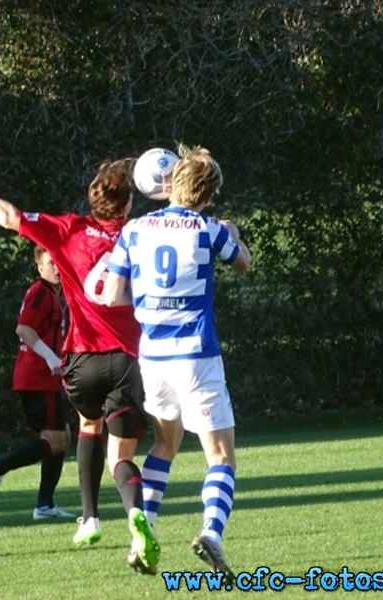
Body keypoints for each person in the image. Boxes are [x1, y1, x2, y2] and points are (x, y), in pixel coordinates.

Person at [0, 155, 160, 575]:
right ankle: (136, 514)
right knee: (122, 455)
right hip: (129, 359)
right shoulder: (142, 234)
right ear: (129, 203)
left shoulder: (68, 230)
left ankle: (90, 518)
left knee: (86, 426)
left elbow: (8, 216)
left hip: (81, 359)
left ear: (92, 199)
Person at [103, 144, 251, 585]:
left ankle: (140, 534)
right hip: (196, 355)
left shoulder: (134, 230)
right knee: (220, 455)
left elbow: (113, 294)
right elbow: (243, 263)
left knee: (165, 445)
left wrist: (149, 299)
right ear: (208, 193)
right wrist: (235, 232)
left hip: (153, 359)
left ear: (172, 185)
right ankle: (211, 533)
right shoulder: (209, 229)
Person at [0, 245, 75, 520]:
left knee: (63, 438)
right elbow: (23, 328)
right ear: (40, 268)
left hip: (45, 378)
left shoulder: (56, 295)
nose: (56, 268)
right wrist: (48, 358)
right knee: (55, 440)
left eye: (59, 262)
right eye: (50, 263)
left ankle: (44, 506)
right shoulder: (40, 293)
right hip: (36, 377)